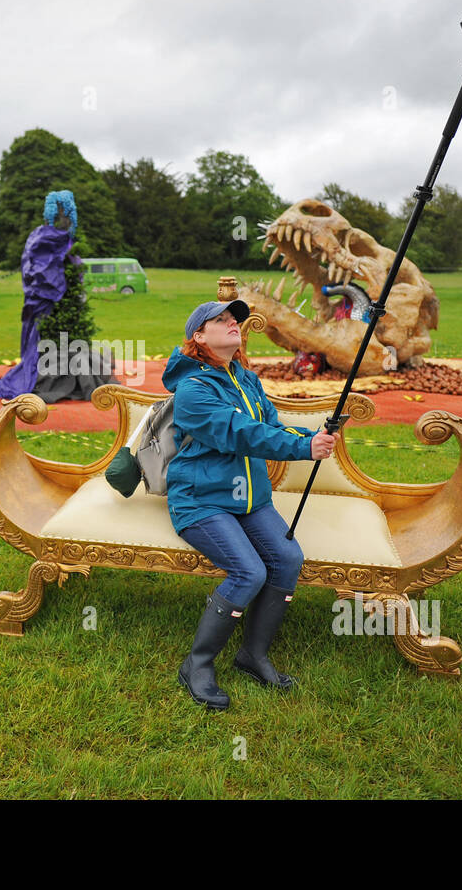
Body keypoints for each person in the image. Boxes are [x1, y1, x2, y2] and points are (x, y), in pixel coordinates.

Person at [162, 299, 336, 710]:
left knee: (288, 558)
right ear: (198, 337)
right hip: (201, 501)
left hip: (250, 499)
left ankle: (252, 655)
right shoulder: (193, 389)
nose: (232, 325)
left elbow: (269, 425)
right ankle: (197, 664)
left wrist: (313, 435)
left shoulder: (244, 377)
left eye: (234, 319)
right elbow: (240, 433)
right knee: (248, 571)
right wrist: (301, 447)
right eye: (219, 321)